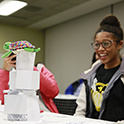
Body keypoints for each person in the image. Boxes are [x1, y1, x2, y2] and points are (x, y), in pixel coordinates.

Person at [74, 14, 124, 122]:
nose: (100, 49)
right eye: (97, 44)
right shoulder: (90, 75)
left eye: (106, 44)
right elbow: (80, 111)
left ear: (120, 44)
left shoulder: (122, 76)